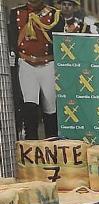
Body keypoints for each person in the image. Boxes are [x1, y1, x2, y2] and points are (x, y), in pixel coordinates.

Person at [8, 0, 63, 139]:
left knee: (50, 106)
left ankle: (51, 140)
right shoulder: (16, 13)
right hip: (26, 63)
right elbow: (12, 37)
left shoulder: (54, 14)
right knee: (29, 104)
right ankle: (31, 141)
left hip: (48, 63)